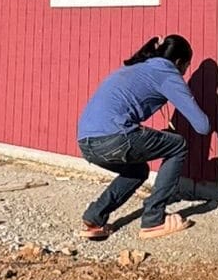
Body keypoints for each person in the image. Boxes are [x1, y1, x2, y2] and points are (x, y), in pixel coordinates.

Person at [76, 34, 210, 240]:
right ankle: (153, 220)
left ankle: (95, 217)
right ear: (178, 62)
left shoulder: (135, 68)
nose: (184, 73)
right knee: (178, 145)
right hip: (113, 139)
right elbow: (202, 126)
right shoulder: (168, 74)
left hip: (86, 143)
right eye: (186, 67)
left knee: (137, 170)